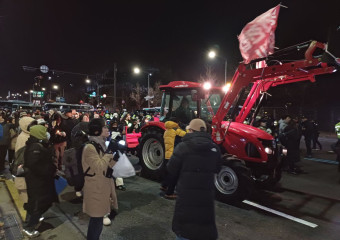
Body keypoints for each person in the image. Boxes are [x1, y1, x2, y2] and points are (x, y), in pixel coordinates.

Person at [167, 118, 221, 240]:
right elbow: (217, 168)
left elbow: (171, 168)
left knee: (185, 231)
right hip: (206, 200)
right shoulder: (215, 149)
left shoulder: (182, 147)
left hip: (186, 199)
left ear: (191, 130)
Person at [82, 118, 118, 240]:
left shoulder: (100, 144)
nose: (107, 129)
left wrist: (117, 156)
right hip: (95, 189)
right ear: (97, 131)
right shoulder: (89, 148)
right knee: (96, 220)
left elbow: (107, 167)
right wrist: (109, 152)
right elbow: (99, 167)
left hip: (102, 187)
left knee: (98, 219)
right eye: (104, 127)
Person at [22, 125, 58, 238]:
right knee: (36, 204)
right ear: (38, 133)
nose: (46, 132)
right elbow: (35, 165)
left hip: (39, 181)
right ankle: (29, 228)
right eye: (44, 131)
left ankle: (32, 220)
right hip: (37, 181)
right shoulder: (35, 147)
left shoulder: (37, 144)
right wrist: (50, 170)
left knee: (36, 203)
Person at [161, 117, 186, 199]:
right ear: (176, 122)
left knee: (167, 172)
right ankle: (169, 193)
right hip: (173, 155)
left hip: (167, 154)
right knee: (174, 175)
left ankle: (164, 186)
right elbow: (186, 135)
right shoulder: (176, 129)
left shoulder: (166, 130)